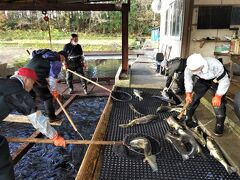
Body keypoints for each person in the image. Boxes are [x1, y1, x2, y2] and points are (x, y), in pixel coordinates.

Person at [0, 67, 66, 180]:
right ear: (27, 79)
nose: (32, 88)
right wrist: (55, 136)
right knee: (3, 164)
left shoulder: (4, 82)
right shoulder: (17, 91)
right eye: (33, 83)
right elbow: (37, 119)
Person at [184, 53, 230, 136]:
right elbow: (187, 80)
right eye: (192, 70)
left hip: (217, 80)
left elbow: (225, 81)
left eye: (195, 70)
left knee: (218, 103)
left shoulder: (216, 65)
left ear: (202, 65)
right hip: (202, 79)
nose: (193, 72)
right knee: (193, 98)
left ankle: (219, 125)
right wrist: (188, 93)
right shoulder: (189, 68)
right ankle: (188, 119)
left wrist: (218, 96)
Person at [25, 49, 68, 122]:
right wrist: (53, 91)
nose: (63, 61)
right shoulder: (57, 63)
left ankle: (31, 115)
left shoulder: (45, 52)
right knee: (47, 97)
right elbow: (52, 79)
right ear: (62, 57)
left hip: (24, 74)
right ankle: (52, 118)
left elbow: (32, 53)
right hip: (36, 77)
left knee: (31, 96)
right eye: (64, 59)